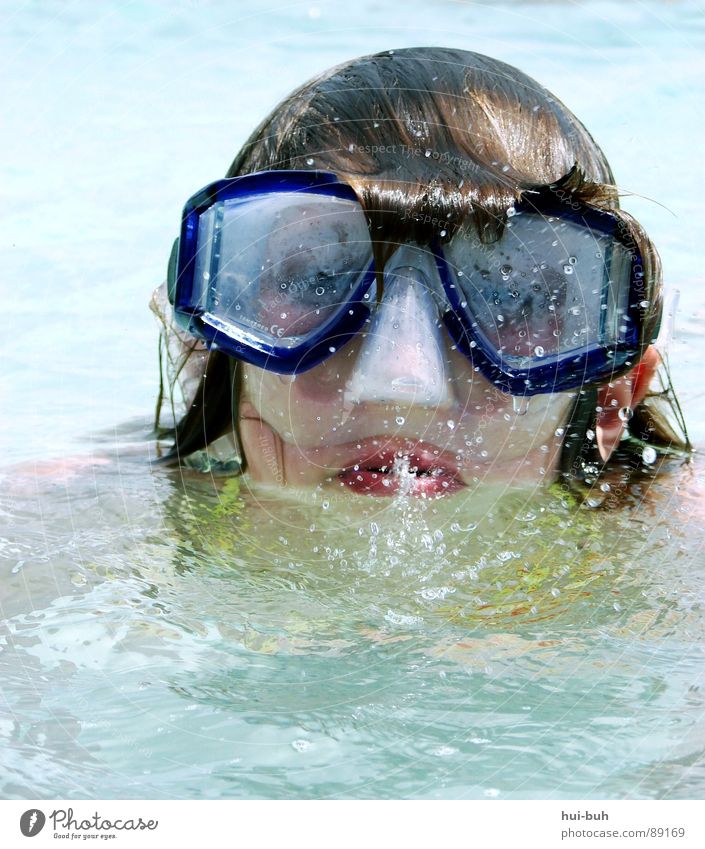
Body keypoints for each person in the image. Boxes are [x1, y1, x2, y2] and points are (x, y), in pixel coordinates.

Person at [151, 47, 689, 500]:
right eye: (316, 280)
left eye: (512, 296)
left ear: (613, 400)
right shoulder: (86, 517)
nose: (403, 388)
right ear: (204, 354)